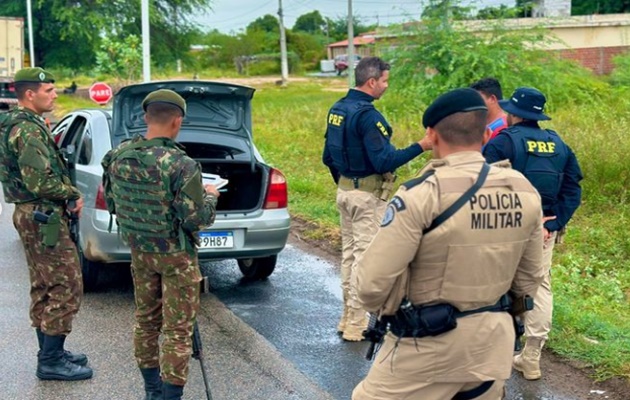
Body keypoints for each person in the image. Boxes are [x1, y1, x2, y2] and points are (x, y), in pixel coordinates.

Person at [352, 88, 545, 400]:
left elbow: (370, 286)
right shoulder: (524, 191)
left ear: (432, 134)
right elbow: (529, 279)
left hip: (426, 346)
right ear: (486, 134)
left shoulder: (420, 195)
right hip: (492, 347)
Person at [101, 89, 219, 400]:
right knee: (178, 329)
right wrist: (211, 196)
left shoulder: (118, 156)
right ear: (177, 121)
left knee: (146, 320)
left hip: (140, 250)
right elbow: (197, 219)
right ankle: (169, 396)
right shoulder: (181, 164)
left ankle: (152, 390)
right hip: (176, 255)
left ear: (145, 118)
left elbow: (113, 202)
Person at [322, 56, 432, 341]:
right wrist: (422, 145)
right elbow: (384, 160)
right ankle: (357, 325)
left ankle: (347, 318)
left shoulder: (337, 109)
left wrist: (346, 183)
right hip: (367, 197)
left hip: (344, 193)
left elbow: (327, 157)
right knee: (363, 259)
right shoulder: (368, 116)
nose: (385, 86)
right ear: (371, 82)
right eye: (384, 81)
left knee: (348, 257)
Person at [483, 87, 583, 381]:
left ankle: (492, 355)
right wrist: (552, 223)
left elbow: (481, 185)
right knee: (540, 287)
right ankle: (531, 358)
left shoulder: (503, 142)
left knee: (491, 285)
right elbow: (573, 188)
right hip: (543, 232)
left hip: (504, 226)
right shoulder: (558, 144)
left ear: (513, 114)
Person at [0, 67, 92, 381]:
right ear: (30, 93)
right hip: (42, 215)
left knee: (45, 283)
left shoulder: (25, 124)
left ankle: (50, 351)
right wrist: (72, 192)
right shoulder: (25, 130)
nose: (54, 94)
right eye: (49, 90)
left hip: (35, 213)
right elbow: (39, 181)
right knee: (66, 284)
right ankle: (51, 360)